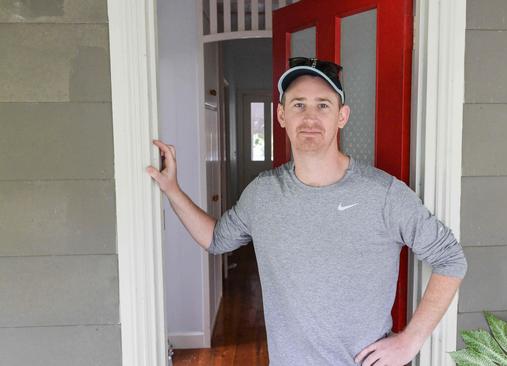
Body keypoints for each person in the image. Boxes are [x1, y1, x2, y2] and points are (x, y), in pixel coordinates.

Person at [147, 57, 467, 366]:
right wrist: (172, 190)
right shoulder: (263, 194)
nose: (310, 117)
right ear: (281, 115)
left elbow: (451, 259)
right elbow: (216, 239)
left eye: (323, 105)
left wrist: (411, 340)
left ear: (341, 116)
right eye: (298, 104)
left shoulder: (383, 194)